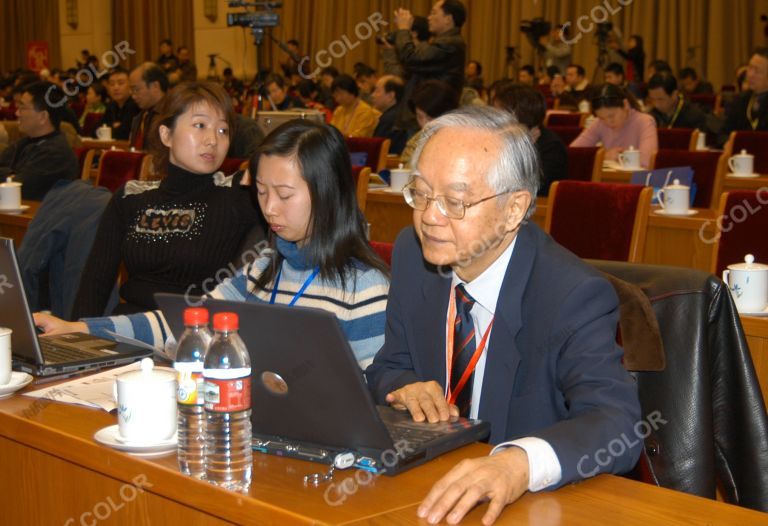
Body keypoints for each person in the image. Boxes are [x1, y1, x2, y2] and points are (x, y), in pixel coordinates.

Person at [365, 106, 641, 525]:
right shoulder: (412, 253)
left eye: (455, 201)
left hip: (526, 510)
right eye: (420, 194)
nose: (430, 217)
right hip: (427, 490)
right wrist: (405, 387)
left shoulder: (571, 294)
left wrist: (516, 465)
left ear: (514, 209)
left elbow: (617, 424)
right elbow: (390, 364)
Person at [37, 120, 390, 368]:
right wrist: (79, 329)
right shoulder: (263, 266)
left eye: (284, 195)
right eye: (262, 192)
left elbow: (370, 397)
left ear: (328, 194)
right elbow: (186, 325)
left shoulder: (365, 287)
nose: (268, 208)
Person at [70, 82, 262, 319]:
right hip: (128, 329)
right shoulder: (131, 196)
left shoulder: (239, 193)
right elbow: (95, 283)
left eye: (223, 130)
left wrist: (264, 165)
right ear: (166, 134)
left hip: (192, 333)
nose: (213, 139)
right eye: (200, 125)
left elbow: (301, 158)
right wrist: (76, 338)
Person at [0, 82, 79, 200]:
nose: (17, 113)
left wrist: (11, 176)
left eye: (22, 108)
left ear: (43, 116)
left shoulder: (55, 153)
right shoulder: (24, 142)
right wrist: (10, 175)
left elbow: (16, 188)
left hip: (38, 216)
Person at [493, 84, 567, 197]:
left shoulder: (551, 147)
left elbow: (531, 187)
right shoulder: (499, 137)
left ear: (518, 114)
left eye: (499, 112)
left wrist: (522, 149)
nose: (494, 117)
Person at [571, 84, 658, 168]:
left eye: (611, 116)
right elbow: (573, 153)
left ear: (625, 104)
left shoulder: (645, 121)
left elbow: (647, 161)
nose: (608, 122)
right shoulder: (599, 123)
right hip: (607, 179)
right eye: (602, 118)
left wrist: (618, 157)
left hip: (636, 180)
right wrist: (603, 156)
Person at [393, 0, 467, 96]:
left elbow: (410, 59)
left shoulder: (449, 44)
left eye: (433, 13)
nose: (428, 18)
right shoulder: (446, 41)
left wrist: (403, 29)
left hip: (434, 106)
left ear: (448, 19)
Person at [400, 80, 460, 165]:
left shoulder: (461, 142)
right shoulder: (415, 142)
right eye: (419, 117)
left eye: (431, 118)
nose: (425, 124)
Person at [721, 48, 768, 140]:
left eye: (757, 71)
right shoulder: (740, 100)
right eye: (750, 68)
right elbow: (723, 134)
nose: (750, 75)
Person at [128, 63, 169, 151]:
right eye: (131, 90)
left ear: (155, 86)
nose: (133, 96)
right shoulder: (141, 116)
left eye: (136, 89)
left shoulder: (172, 114)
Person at [99, 67, 140, 140]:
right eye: (112, 84)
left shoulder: (135, 105)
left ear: (130, 86)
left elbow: (124, 134)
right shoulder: (111, 106)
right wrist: (114, 126)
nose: (116, 87)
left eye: (120, 83)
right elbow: (96, 131)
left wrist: (109, 127)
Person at [372, 75, 408, 154]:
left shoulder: (388, 118)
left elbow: (376, 150)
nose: (373, 95)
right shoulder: (404, 113)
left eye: (377, 91)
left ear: (391, 96)